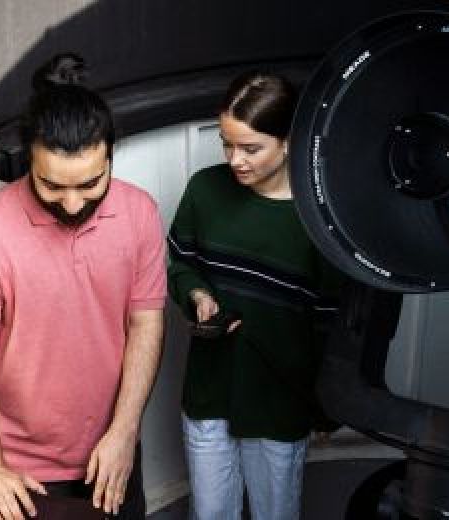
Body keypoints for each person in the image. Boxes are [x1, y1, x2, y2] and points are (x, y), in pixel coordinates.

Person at [0, 53, 165, 520]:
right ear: (29, 161)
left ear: (109, 157)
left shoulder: (140, 212)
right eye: (53, 186)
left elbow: (145, 323)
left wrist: (125, 431)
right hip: (24, 470)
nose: (72, 202)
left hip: (113, 450)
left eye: (90, 184)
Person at [168, 71, 341, 520]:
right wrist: (197, 293)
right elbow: (179, 264)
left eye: (250, 148)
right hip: (209, 391)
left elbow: (332, 323)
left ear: (288, 141)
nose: (235, 160)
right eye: (226, 144)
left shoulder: (320, 219)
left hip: (280, 403)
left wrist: (325, 409)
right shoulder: (204, 190)